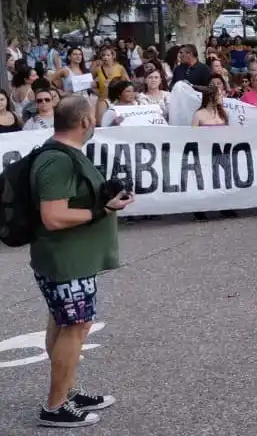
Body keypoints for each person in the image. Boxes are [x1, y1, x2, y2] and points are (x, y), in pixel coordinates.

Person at [29, 95, 134, 427]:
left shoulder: (60, 153)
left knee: (62, 324)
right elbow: (54, 216)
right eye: (92, 118)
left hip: (66, 259)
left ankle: (67, 391)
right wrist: (100, 211)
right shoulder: (58, 161)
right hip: (66, 260)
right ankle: (55, 406)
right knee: (74, 327)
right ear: (85, 122)